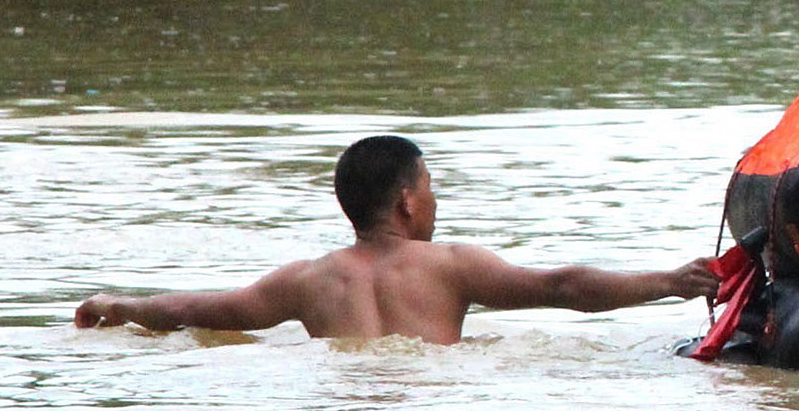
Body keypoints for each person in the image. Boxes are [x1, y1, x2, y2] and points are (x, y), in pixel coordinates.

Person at [72, 136, 705, 344]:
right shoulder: (450, 265)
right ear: (407, 202)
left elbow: (193, 312)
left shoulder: (307, 280)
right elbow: (563, 287)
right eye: (430, 185)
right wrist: (673, 282)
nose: (436, 198)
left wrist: (123, 306)